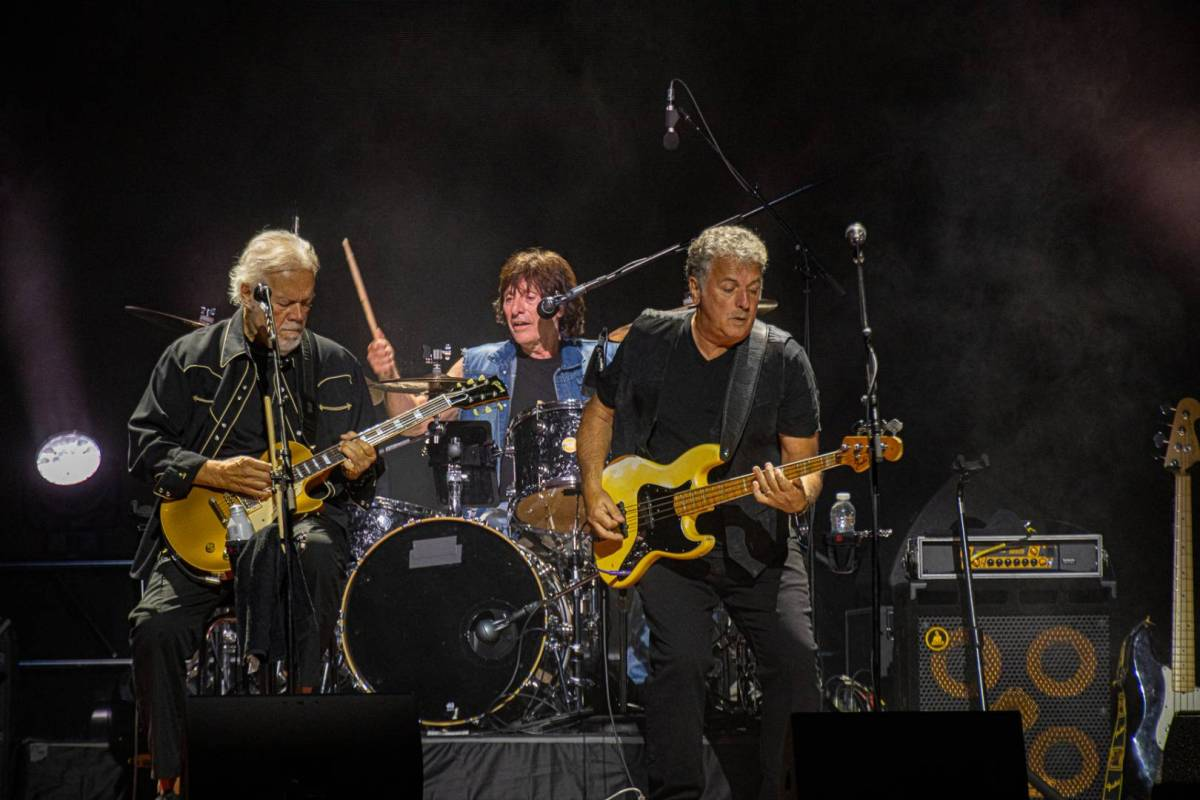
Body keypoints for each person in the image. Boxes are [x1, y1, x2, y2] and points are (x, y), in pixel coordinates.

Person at [127, 230, 380, 798]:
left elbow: (357, 485)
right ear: (247, 294)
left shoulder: (335, 365)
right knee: (155, 627)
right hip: (199, 540)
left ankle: (300, 737)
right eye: (284, 303)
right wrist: (209, 471)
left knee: (314, 552)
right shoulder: (189, 358)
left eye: (307, 303)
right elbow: (142, 448)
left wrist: (362, 467)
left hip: (295, 532)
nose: (297, 316)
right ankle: (170, 775)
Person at [579, 224, 822, 800]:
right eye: (730, 287)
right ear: (694, 288)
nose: (744, 303)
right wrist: (592, 490)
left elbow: (806, 465)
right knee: (681, 665)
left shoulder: (781, 357)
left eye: (754, 289)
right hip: (665, 539)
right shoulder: (648, 336)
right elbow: (599, 415)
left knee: (796, 661)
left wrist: (801, 495)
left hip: (756, 540)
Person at [367, 247, 611, 503]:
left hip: (581, 517)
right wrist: (388, 374)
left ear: (558, 307)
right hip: (501, 525)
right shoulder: (481, 367)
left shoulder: (593, 360)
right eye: (508, 298)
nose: (515, 309)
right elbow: (415, 423)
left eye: (528, 297)